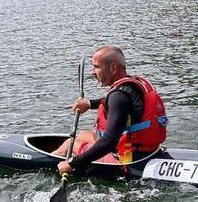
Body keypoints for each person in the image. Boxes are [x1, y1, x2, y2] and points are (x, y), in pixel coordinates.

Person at [54, 45, 167, 174]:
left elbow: (109, 142)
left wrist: (72, 163)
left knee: (70, 144)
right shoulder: (132, 85)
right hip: (149, 150)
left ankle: (44, 161)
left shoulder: (118, 96)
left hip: (128, 160)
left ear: (113, 68)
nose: (92, 72)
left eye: (96, 67)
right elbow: (118, 103)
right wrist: (89, 103)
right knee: (83, 134)